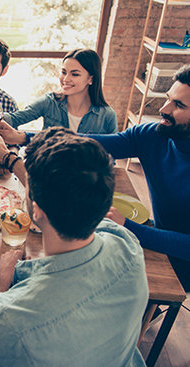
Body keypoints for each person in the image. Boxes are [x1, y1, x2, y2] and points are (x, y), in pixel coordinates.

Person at [0, 127, 148, 367]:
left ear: (36, 211)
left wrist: (1, 286)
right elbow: (58, 191)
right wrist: (8, 156)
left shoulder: (10, 318)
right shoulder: (127, 243)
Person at [87, 64, 190, 291]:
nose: (164, 108)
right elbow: (89, 144)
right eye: (168, 98)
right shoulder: (153, 135)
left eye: (179, 105)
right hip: (156, 237)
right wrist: (24, 137)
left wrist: (129, 227)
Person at [2, 48, 117, 135]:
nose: (65, 79)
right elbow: (15, 119)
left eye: (75, 74)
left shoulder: (107, 116)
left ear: (91, 79)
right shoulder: (49, 102)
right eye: (64, 72)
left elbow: (111, 155)